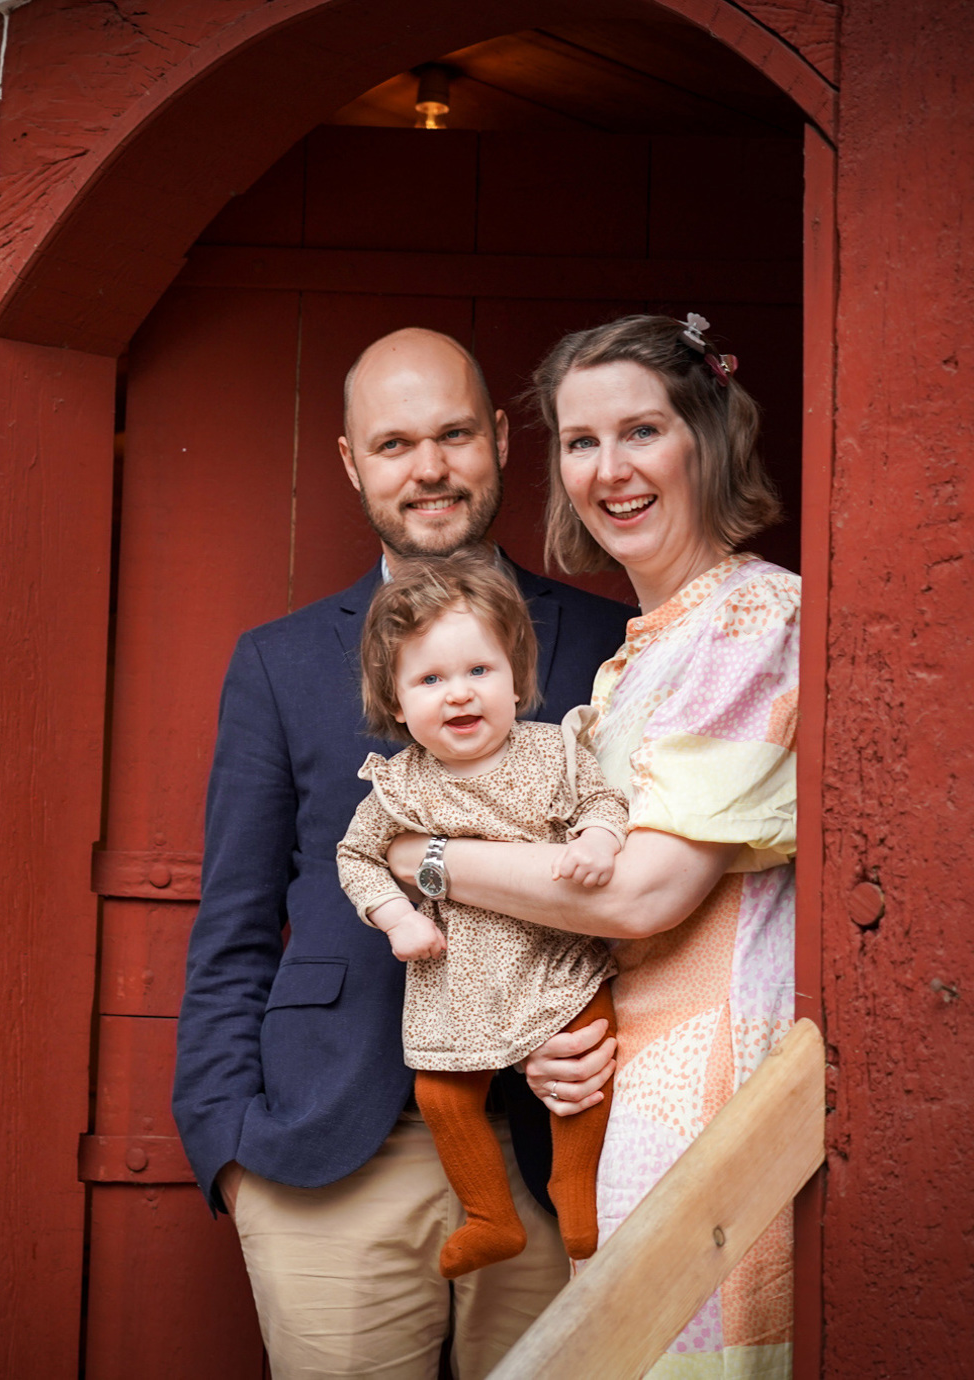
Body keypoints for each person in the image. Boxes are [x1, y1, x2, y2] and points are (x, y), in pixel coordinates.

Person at [173, 327, 636, 1378]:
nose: (429, 468)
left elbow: (656, 891)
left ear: (502, 439)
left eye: (454, 435)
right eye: (394, 444)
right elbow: (234, 923)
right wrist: (228, 1144)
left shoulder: (613, 643)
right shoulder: (280, 660)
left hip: (562, 1144)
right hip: (334, 1155)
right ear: (351, 462)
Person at [384, 313, 800, 1377]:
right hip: (626, 1075)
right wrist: (554, 1036)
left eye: (642, 431)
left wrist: (422, 857)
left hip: (713, 1071)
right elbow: (589, 914)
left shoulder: (754, 617)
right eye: (581, 441)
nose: (609, 470)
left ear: (710, 436)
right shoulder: (634, 658)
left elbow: (642, 894)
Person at [336, 550, 627, 1280]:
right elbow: (356, 856)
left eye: (478, 671)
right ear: (396, 703)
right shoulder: (401, 786)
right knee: (441, 1092)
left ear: (515, 680)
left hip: (552, 953)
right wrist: (397, 919)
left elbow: (603, 800)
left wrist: (597, 839)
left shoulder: (550, 753)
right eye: (430, 680)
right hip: (457, 972)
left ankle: (575, 1188)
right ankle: (491, 1216)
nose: (459, 694)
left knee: (588, 1052)